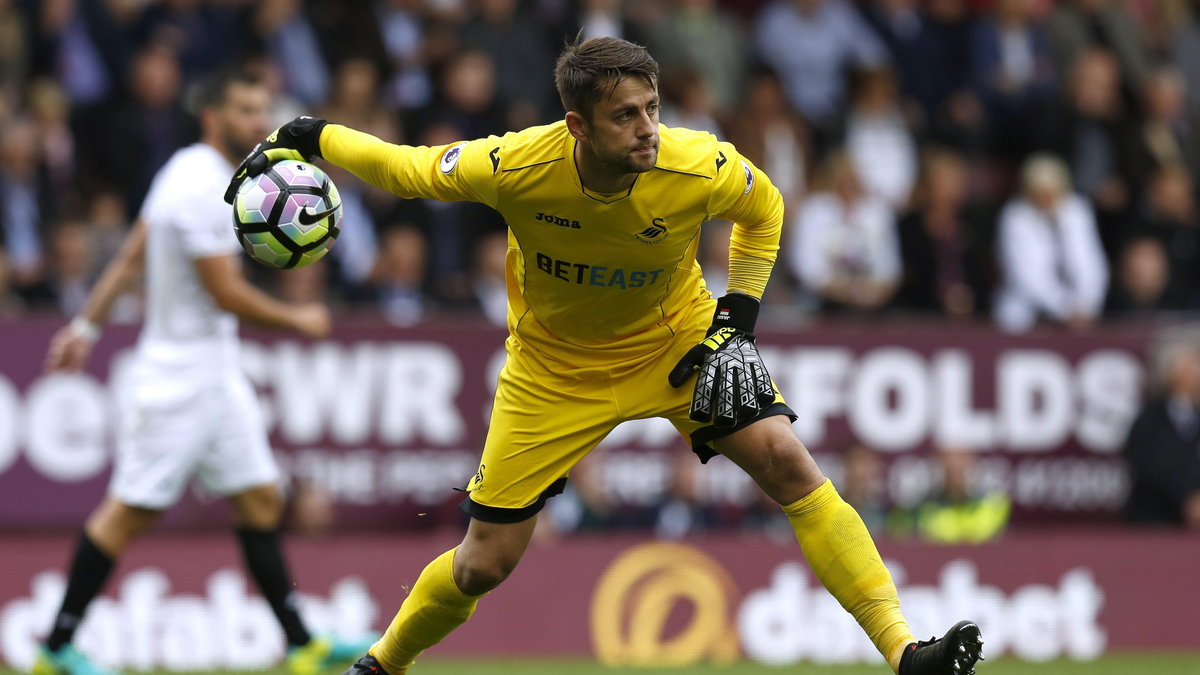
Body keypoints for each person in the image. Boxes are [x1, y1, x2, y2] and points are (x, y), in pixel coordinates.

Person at [227, 37, 985, 675]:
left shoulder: (695, 163)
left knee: (788, 460)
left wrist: (738, 320)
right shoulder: (516, 164)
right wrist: (307, 134)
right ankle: (381, 663)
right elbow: (406, 170)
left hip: (678, 341)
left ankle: (902, 650)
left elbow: (766, 208)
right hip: (553, 371)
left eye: (652, 108)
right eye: (627, 116)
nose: (649, 129)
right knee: (481, 564)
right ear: (577, 125)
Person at [32, 68, 373, 675]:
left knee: (262, 498)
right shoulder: (199, 185)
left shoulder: (199, 173)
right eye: (243, 110)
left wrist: (84, 328)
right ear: (212, 116)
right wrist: (301, 322)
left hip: (216, 374)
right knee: (128, 513)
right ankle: (57, 647)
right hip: (176, 380)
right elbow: (226, 294)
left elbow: (131, 256)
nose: (255, 122)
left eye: (261, 110)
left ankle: (299, 645)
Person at [1123, 341, 1200, 528]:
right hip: (1154, 519)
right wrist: (1185, 499)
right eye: (1193, 367)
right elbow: (1145, 465)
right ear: (1175, 374)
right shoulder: (1150, 417)